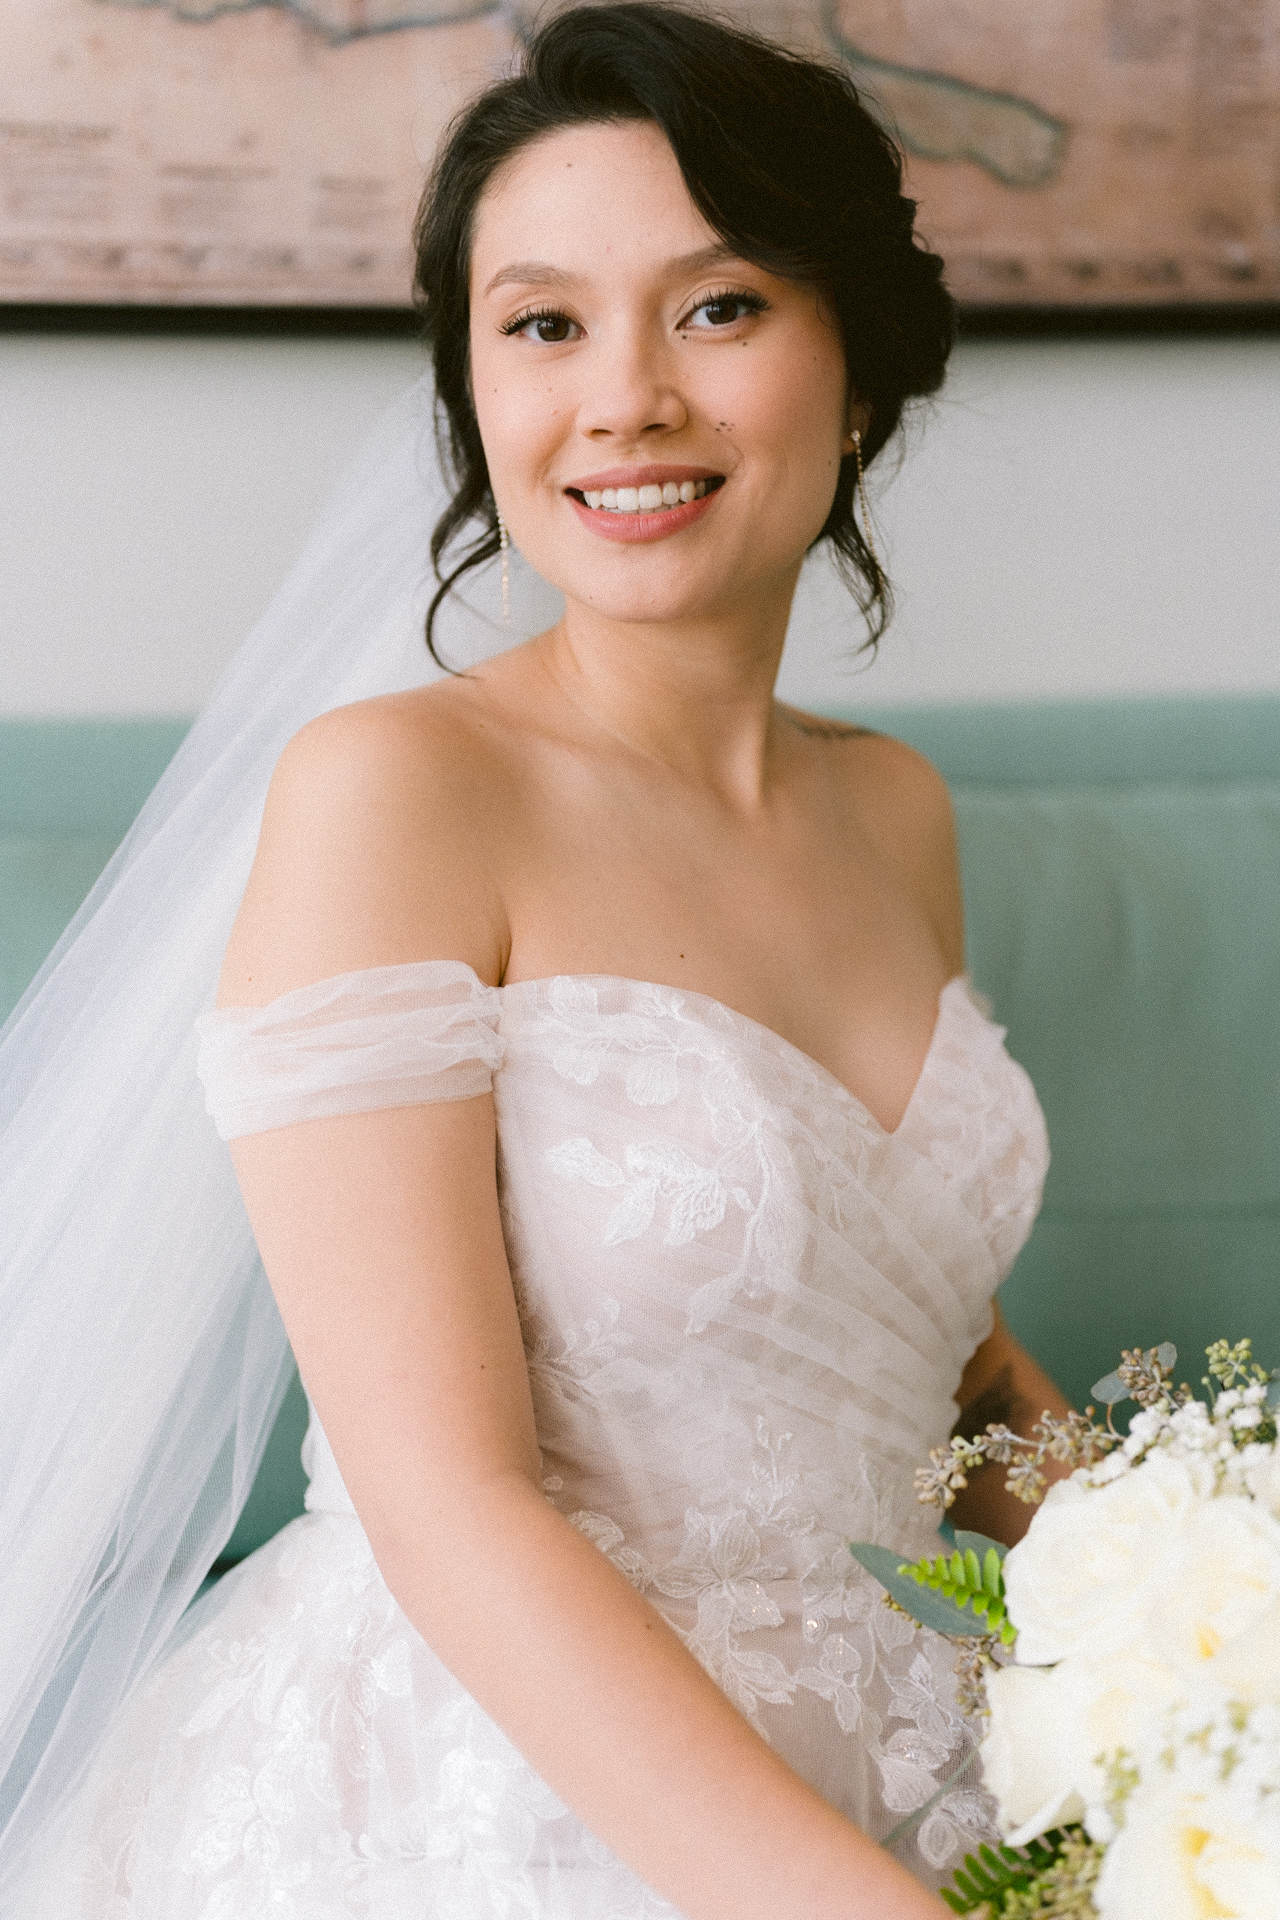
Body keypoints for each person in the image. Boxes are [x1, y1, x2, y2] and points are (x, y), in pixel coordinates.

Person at [0, 5, 1071, 1913]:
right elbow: (448, 1504)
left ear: (858, 363)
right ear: (476, 387)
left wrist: (1178, 1627)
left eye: (718, 308)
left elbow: (936, 1352)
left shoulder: (900, 811)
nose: (626, 400)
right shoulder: (392, 794)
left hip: (908, 1758)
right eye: (544, 322)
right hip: (481, 1785)